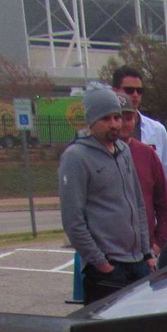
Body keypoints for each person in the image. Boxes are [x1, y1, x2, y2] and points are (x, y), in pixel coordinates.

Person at [59, 86, 153, 303]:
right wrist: (101, 263)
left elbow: (137, 203)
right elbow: (73, 220)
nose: (114, 124)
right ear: (91, 121)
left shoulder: (123, 150)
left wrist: (146, 252)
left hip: (137, 262)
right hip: (107, 268)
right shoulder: (76, 157)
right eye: (105, 119)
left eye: (116, 117)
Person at [110, 66, 167, 211]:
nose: (135, 95)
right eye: (129, 90)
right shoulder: (106, 130)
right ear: (115, 91)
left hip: (150, 217)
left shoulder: (157, 130)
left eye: (139, 91)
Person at [117, 103, 167, 251]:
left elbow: (165, 206)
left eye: (128, 118)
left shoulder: (147, 154)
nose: (124, 123)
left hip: (145, 252)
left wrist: (157, 244)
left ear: (135, 119)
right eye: (119, 118)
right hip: (110, 255)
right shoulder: (95, 156)